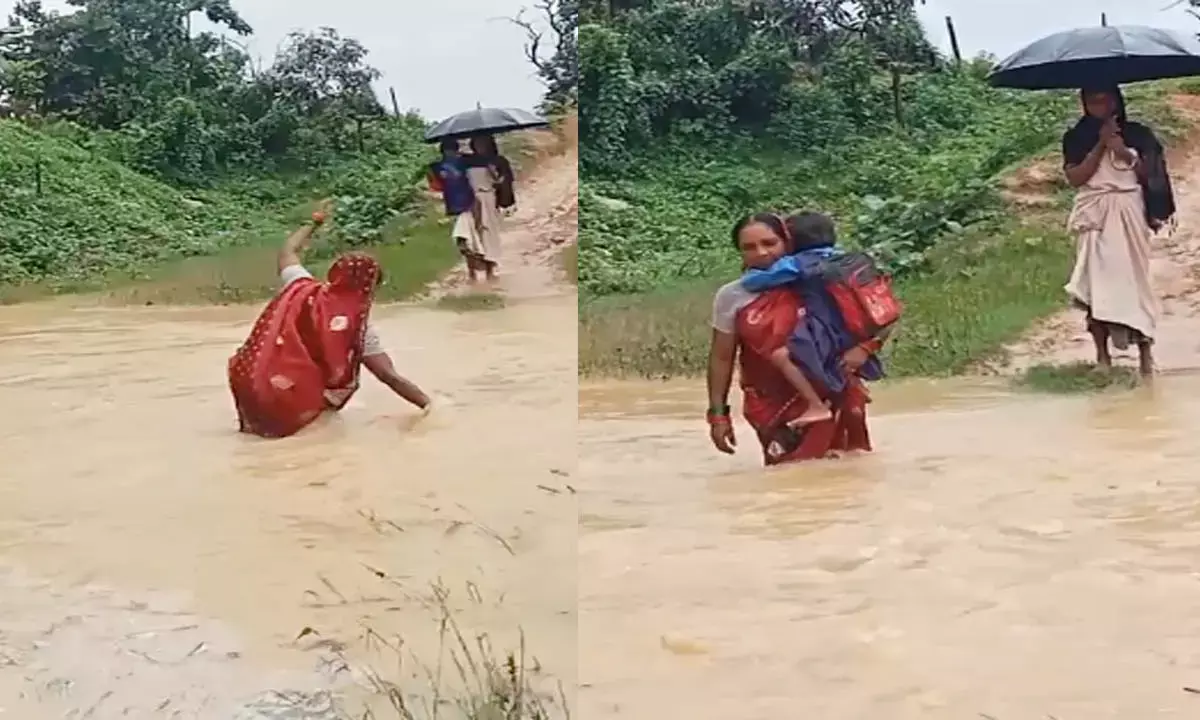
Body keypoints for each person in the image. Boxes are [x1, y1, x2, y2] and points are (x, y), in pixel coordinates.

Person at [227, 208, 432, 438]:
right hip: (290, 395)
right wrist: (430, 406)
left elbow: (287, 251)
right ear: (370, 289)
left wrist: (314, 223)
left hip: (248, 376)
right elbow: (388, 376)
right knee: (306, 443)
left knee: (253, 441)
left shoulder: (300, 285)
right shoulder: (358, 329)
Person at [707, 213, 884, 465]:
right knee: (788, 479)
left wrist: (866, 348)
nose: (761, 253)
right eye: (749, 247)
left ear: (788, 243)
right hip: (770, 403)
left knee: (848, 474)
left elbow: (882, 313)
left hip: (833, 390)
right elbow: (721, 357)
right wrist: (718, 414)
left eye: (770, 243)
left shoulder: (821, 279)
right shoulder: (732, 296)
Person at [1061, 85, 1175, 376]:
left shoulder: (1139, 134)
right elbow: (1076, 178)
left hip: (1129, 211)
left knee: (1133, 282)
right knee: (1095, 285)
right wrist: (1100, 145)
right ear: (1083, 103)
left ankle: (1145, 356)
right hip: (1095, 214)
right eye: (1091, 100)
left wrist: (1120, 150)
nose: (1097, 105)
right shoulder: (1076, 138)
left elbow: (1152, 175)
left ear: (1115, 100)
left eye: (1103, 99)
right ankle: (1103, 358)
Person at [739, 211, 887, 428]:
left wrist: (747, 273)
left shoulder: (799, 263)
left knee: (781, 355)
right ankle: (854, 387)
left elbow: (756, 282)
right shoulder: (846, 258)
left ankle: (815, 405)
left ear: (790, 242)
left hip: (822, 328)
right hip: (852, 332)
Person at [426, 138, 486, 283]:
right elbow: (436, 186)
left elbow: (435, 186)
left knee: (465, 239)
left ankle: (476, 271)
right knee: (468, 239)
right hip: (460, 205)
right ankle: (475, 271)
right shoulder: (462, 162)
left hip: (464, 205)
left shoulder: (440, 166)